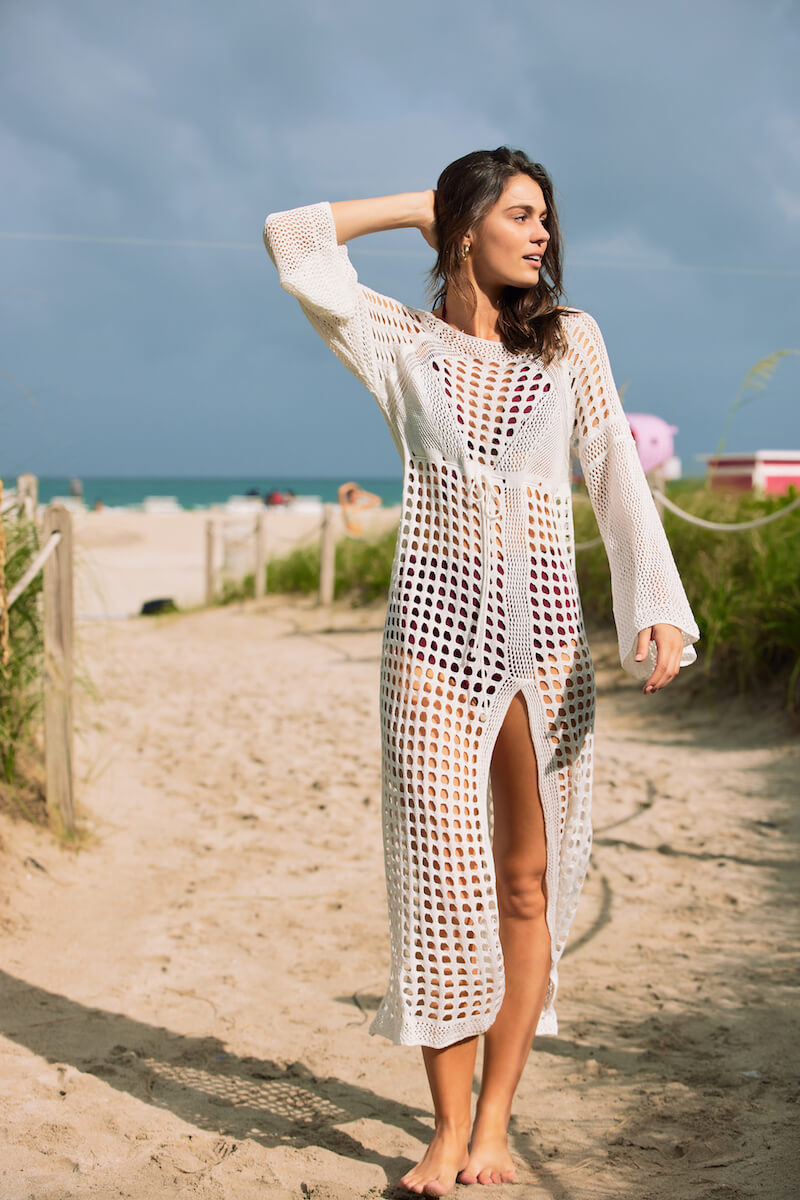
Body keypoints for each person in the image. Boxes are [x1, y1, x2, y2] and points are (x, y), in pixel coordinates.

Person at [263, 147, 699, 1196]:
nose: (542, 232)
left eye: (546, 216)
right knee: (441, 892)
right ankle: (444, 1130)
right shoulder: (396, 342)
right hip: (430, 639)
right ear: (467, 228)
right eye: (518, 213)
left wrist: (656, 605)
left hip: (546, 641)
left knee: (522, 883)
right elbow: (293, 239)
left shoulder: (569, 343)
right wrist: (419, 204)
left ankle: (496, 1123)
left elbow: (611, 473)